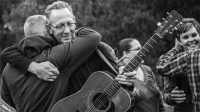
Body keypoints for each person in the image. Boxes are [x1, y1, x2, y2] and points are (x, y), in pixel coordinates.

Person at [0, 1, 135, 112]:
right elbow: (93, 36)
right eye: (59, 26)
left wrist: (30, 66)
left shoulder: (8, 69)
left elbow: (6, 105)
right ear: (48, 30)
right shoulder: (58, 55)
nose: (65, 30)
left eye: (69, 24)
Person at [157, 18, 200, 112]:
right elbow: (166, 94)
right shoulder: (173, 60)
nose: (191, 40)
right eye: (186, 37)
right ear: (179, 41)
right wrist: (171, 97)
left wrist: (177, 47)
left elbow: (161, 66)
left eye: (194, 35)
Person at [115, 38, 165, 112]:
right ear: (126, 54)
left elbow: (159, 101)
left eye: (142, 48)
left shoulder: (147, 70)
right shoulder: (120, 76)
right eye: (137, 49)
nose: (143, 52)